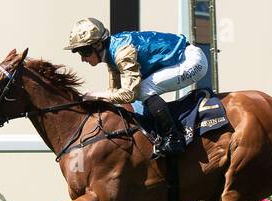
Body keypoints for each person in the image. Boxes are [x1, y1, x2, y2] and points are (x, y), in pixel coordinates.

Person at [63, 16, 209, 158]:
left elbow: (128, 94)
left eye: (84, 51)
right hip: (180, 59)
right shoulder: (110, 56)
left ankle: (174, 138)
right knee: (140, 101)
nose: (82, 59)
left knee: (144, 89)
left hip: (192, 62)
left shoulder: (122, 53)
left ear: (98, 45)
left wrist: (96, 95)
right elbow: (115, 93)